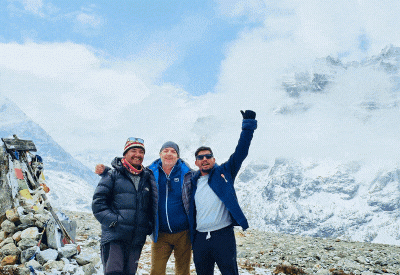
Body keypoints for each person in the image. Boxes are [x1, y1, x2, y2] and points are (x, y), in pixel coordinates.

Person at [95, 141, 193, 275]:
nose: (169, 154)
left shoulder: (187, 174)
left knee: (183, 272)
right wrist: (107, 171)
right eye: (166, 151)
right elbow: (127, 172)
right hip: (158, 233)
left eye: (173, 151)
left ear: (178, 156)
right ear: (160, 154)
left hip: (182, 232)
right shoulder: (151, 172)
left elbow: (203, 179)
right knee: (154, 271)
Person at [189, 110, 257, 275]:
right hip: (200, 238)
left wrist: (248, 125)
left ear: (213, 159)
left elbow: (241, 152)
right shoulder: (191, 181)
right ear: (196, 162)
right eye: (201, 157)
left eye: (208, 156)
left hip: (223, 236)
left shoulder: (225, 172)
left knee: (229, 272)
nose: (204, 159)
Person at [92, 137, 157, 275]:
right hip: (115, 237)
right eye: (133, 150)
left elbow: (151, 205)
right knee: (114, 272)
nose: (137, 155)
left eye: (141, 152)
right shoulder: (111, 175)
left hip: (136, 239)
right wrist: (114, 221)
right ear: (125, 153)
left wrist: (147, 225)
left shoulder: (146, 178)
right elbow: (98, 203)